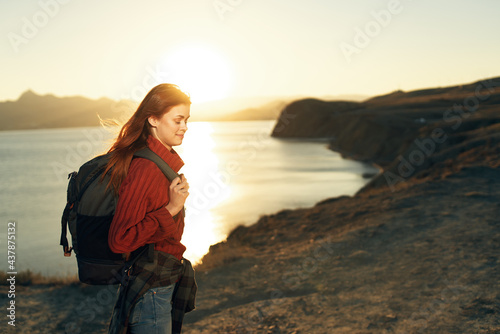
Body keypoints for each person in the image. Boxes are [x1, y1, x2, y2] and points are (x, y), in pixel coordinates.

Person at [106, 84, 196, 334]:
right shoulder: (145, 169)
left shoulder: (164, 164)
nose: (184, 127)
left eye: (186, 120)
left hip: (161, 283)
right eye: (178, 120)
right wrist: (171, 209)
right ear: (153, 119)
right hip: (151, 291)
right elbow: (119, 240)